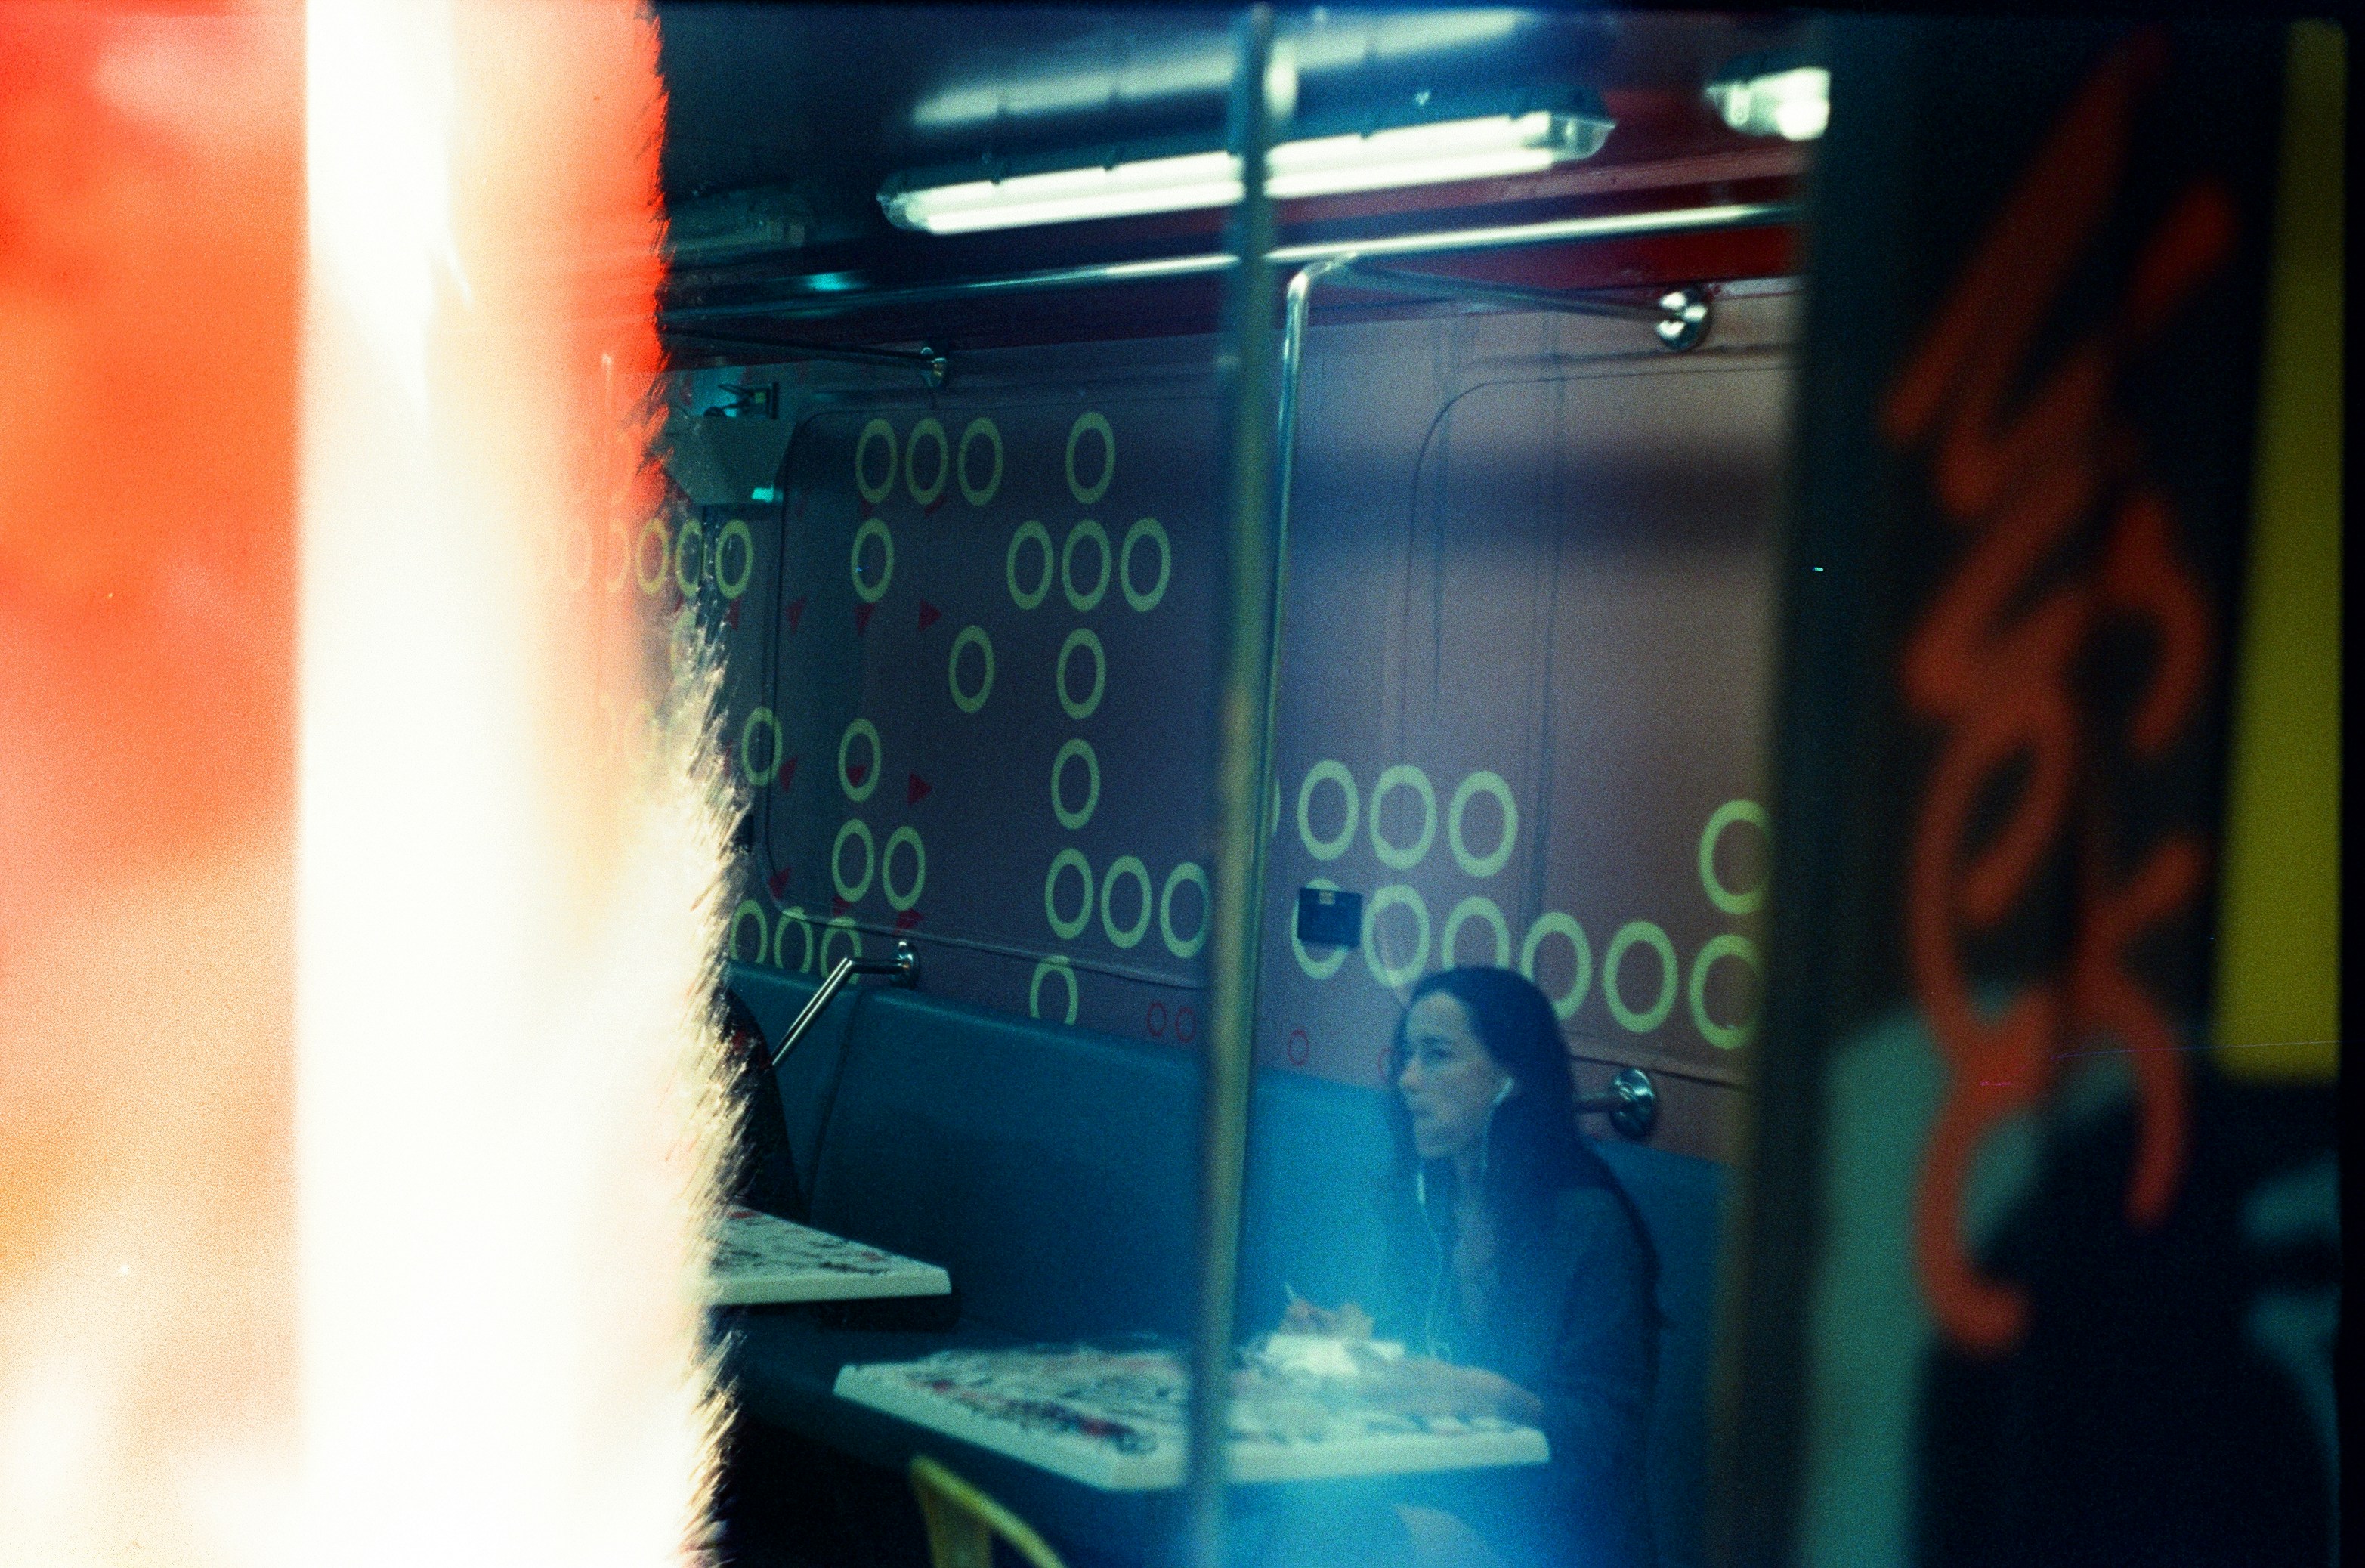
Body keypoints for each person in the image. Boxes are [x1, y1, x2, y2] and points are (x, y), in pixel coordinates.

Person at [1284, 966, 1661, 1568]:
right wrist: (1341, 1342)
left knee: (1342, 1542)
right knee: (1294, 1524)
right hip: (1429, 1491)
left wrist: (1496, 1397)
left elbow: (1608, 1430)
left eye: (1437, 1055)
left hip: (1554, 1527)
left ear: (1511, 1076)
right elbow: (1407, 1356)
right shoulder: (1420, 1200)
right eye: (1407, 1054)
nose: (1408, 1079)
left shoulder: (1588, 1222)